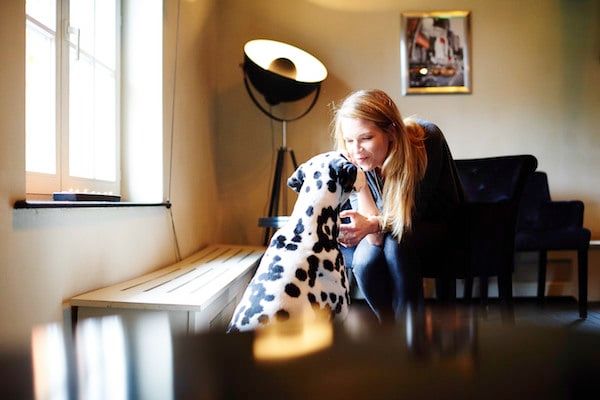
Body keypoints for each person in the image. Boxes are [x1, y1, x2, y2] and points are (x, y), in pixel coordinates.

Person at [332, 89, 464, 323]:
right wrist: (360, 182)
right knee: (365, 259)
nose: (356, 150)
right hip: (389, 229)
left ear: (391, 131)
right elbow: (374, 238)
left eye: (366, 138)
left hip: (433, 227)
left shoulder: (425, 139)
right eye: (349, 140)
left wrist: (373, 224)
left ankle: (410, 329)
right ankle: (389, 328)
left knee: (396, 245)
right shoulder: (355, 159)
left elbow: (409, 218)